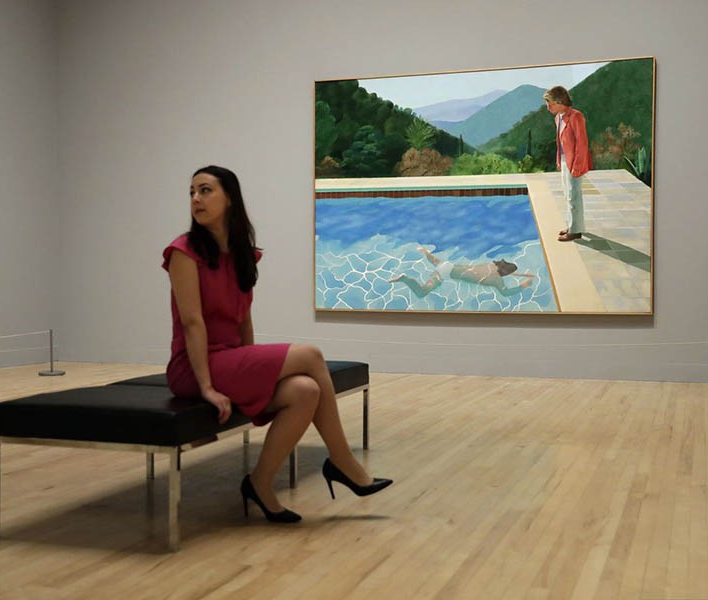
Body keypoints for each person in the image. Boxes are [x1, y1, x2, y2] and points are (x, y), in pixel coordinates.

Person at [163, 165, 391, 523]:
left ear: (230, 198)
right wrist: (206, 387)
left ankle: (260, 483)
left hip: (228, 359)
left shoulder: (240, 254)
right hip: (194, 367)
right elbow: (192, 323)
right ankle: (343, 462)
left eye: (205, 190)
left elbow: (243, 319)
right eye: (191, 192)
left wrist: (250, 363)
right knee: (311, 356)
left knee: (305, 391)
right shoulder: (183, 252)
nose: (195, 198)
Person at [543, 86, 593, 242]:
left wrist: (577, 165)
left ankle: (575, 231)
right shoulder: (558, 118)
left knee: (574, 195)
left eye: (550, 103)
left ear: (559, 101)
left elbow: (582, 143)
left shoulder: (576, 116)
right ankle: (573, 225)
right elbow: (560, 143)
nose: (548, 107)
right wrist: (559, 159)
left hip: (575, 161)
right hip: (565, 160)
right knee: (568, 193)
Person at [388, 247, 535, 298]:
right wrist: (523, 285)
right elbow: (506, 293)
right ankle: (405, 279)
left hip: (448, 266)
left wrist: (519, 274)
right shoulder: (497, 281)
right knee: (421, 293)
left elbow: (501, 271)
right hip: (445, 274)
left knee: (435, 262)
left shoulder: (492, 265)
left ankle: (426, 252)